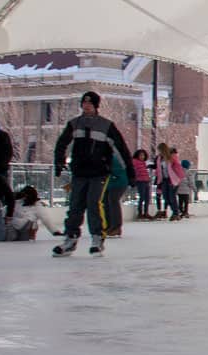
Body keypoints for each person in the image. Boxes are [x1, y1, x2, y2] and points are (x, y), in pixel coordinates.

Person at [52, 92, 135, 257]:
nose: (86, 106)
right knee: (75, 206)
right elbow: (62, 144)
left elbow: (121, 149)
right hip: (79, 172)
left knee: (94, 204)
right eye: (84, 103)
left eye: (90, 103)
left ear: (96, 106)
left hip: (99, 173)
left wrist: (130, 172)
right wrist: (59, 161)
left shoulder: (106, 125)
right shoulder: (74, 124)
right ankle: (70, 238)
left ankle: (97, 238)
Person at [154, 143, 184, 222]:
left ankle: (175, 213)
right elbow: (159, 169)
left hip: (172, 179)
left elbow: (177, 167)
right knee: (165, 197)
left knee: (172, 196)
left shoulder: (172, 157)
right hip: (164, 179)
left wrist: (178, 177)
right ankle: (176, 211)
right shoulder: (159, 158)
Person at [102, 150, 129, 236]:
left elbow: (114, 171)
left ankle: (116, 226)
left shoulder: (111, 158)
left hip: (118, 183)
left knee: (112, 201)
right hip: (110, 183)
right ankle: (109, 225)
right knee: (106, 202)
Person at [132, 149, 153, 219]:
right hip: (140, 181)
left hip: (146, 181)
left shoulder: (143, 163)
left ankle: (146, 212)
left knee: (147, 197)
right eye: (141, 155)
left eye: (143, 155)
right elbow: (135, 171)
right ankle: (140, 213)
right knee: (142, 197)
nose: (142, 157)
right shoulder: (135, 162)